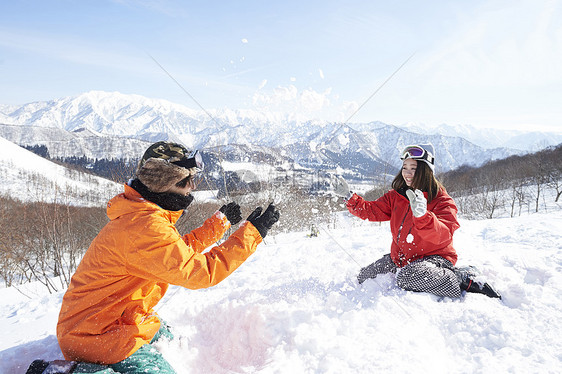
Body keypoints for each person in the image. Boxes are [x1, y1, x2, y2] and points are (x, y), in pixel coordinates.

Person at [55, 141, 280, 373]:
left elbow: (174, 253)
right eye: (185, 181)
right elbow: (200, 272)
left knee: (171, 339)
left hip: (118, 318)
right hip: (94, 335)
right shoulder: (145, 227)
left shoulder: (143, 215)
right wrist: (252, 234)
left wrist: (218, 224)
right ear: (164, 184)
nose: (192, 186)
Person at [333, 143, 501, 299]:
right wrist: (349, 197)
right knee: (364, 277)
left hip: (435, 258)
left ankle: (460, 277)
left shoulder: (442, 200)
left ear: (425, 171)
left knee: (406, 277)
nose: (407, 173)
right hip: (402, 257)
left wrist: (423, 216)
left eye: (413, 168)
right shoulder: (396, 196)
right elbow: (372, 211)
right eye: (405, 167)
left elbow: (444, 235)